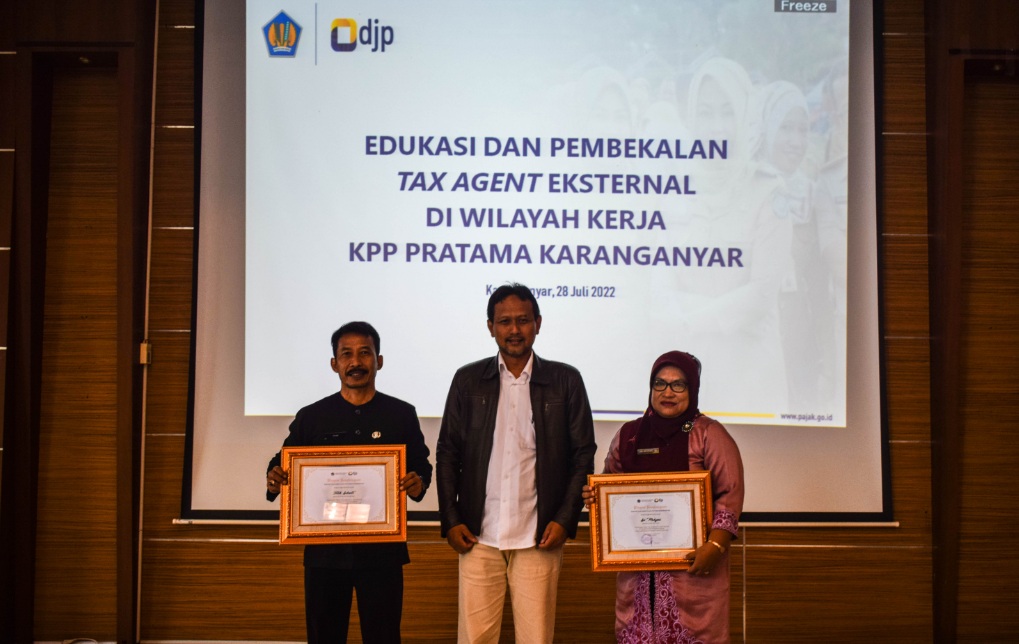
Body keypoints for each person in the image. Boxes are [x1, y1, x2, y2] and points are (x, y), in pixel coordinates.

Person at [436, 283, 597, 643]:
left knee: (536, 638)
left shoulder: (565, 381)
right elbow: (447, 452)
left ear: (538, 323)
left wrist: (565, 519)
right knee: (474, 639)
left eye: (523, 320)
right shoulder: (467, 380)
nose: (514, 330)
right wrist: (451, 519)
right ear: (490, 326)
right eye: (504, 321)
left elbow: (582, 454)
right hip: (478, 535)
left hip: (539, 535)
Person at [265, 321, 432, 644]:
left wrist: (418, 482)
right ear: (334, 364)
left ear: (378, 360)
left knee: (384, 637)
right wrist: (274, 480)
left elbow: (421, 466)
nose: (356, 362)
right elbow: (282, 463)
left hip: (382, 553)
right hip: (325, 554)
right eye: (346, 354)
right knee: (324, 637)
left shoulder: (401, 414)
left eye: (364, 353)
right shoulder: (312, 416)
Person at [583, 350, 744, 643]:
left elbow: (729, 494)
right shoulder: (629, 435)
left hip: (694, 576)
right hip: (637, 576)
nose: (667, 392)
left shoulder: (708, 434)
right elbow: (611, 489)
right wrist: (595, 497)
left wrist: (715, 546)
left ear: (692, 389)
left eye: (678, 384)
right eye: (660, 383)